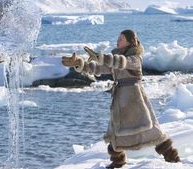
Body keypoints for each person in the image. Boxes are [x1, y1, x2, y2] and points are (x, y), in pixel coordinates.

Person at [61, 29, 181, 168]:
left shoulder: (135, 58)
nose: (118, 41)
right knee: (115, 132)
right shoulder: (116, 57)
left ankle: (173, 159)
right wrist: (79, 63)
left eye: (121, 39)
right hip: (119, 99)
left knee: (151, 131)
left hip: (134, 99)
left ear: (130, 42)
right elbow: (99, 69)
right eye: (118, 38)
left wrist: (101, 57)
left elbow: (121, 62)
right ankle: (117, 162)